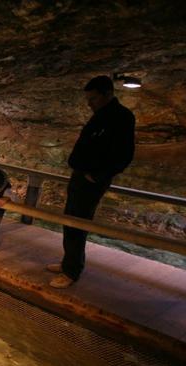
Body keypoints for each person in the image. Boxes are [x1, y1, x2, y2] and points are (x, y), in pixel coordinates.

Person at [48, 75, 135, 288]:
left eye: (93, 99)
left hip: (92, 178)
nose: (89, 104)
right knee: (70, 218)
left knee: (78, 221)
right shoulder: (100, 115)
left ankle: (71, 271)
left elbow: (124, 154)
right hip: (81, 174)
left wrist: (99, 175)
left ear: (108, 94)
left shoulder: (121, 117)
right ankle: (69, 261)